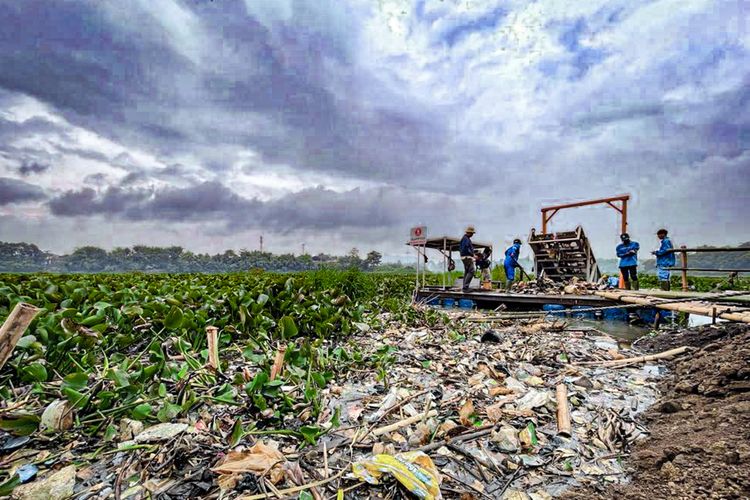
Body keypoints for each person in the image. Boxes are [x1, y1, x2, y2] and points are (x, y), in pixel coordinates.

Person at [459, 226, 476, 292]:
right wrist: (472, 254)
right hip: (467, 257)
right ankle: (465, 287)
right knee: (471, 271)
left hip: (465, 257)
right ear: (469, 233)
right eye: (472, 233)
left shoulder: (465, 238)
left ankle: (464, 287)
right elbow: (466, 248)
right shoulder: (466, 239)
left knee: (467, 271)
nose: (472, 235)